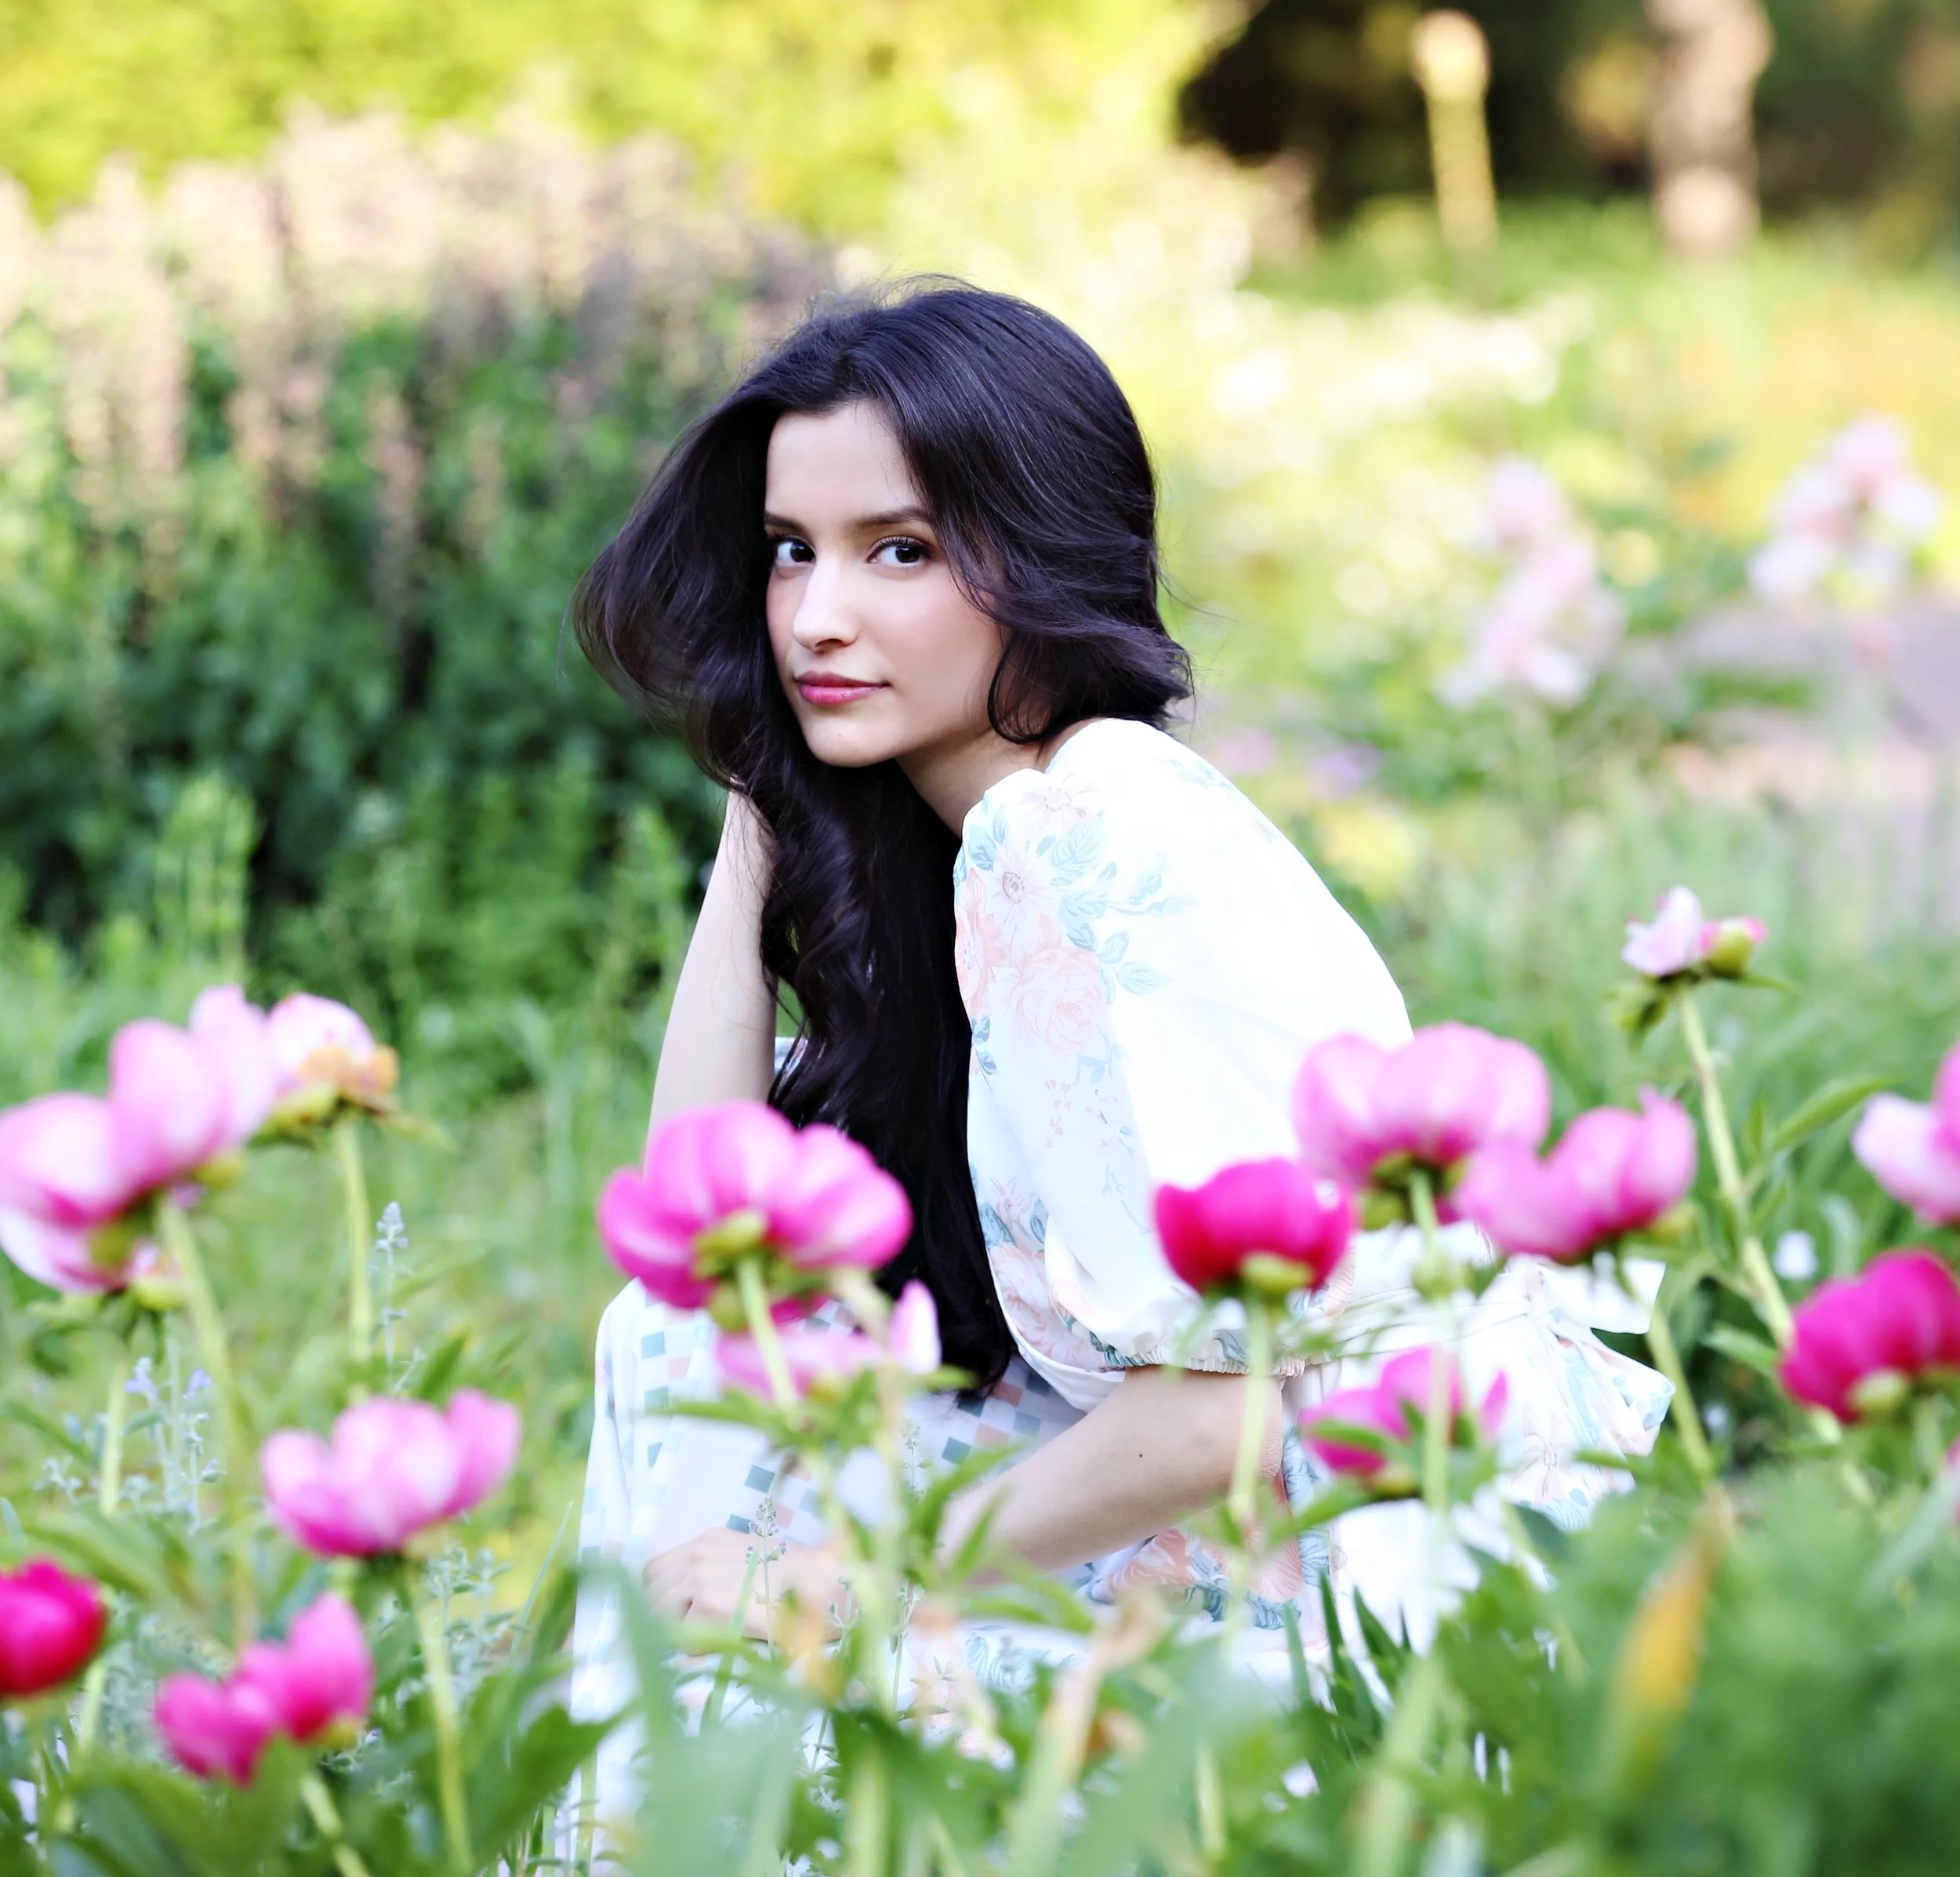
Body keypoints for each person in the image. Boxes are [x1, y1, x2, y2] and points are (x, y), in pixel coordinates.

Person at [567, 284, 1666, 1744]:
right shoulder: (980, 833)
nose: (816, 619)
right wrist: (761, 794)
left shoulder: (1082, 835)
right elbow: (702, 1235)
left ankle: (681, 1867)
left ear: (1039, 555)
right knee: (676, 1349)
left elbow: (1231, 1408)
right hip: (1258, 1495)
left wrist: (847, 1576)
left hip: (1371, 1563)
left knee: (755, 1574)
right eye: (789, 551)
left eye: (900, 550)